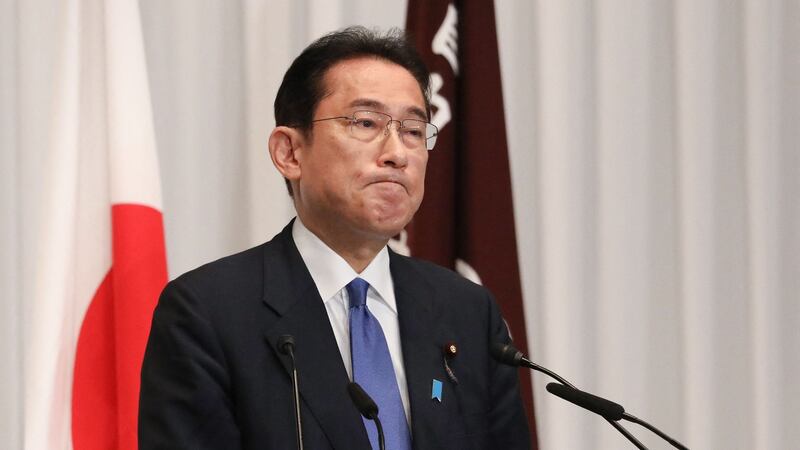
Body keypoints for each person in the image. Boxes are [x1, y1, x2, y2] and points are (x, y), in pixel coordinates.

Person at [139, 26, 530, 450]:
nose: (397, 153)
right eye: (365, 122)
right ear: (290, 152)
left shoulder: (469, 313)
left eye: (414, 131)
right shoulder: (208, 314)